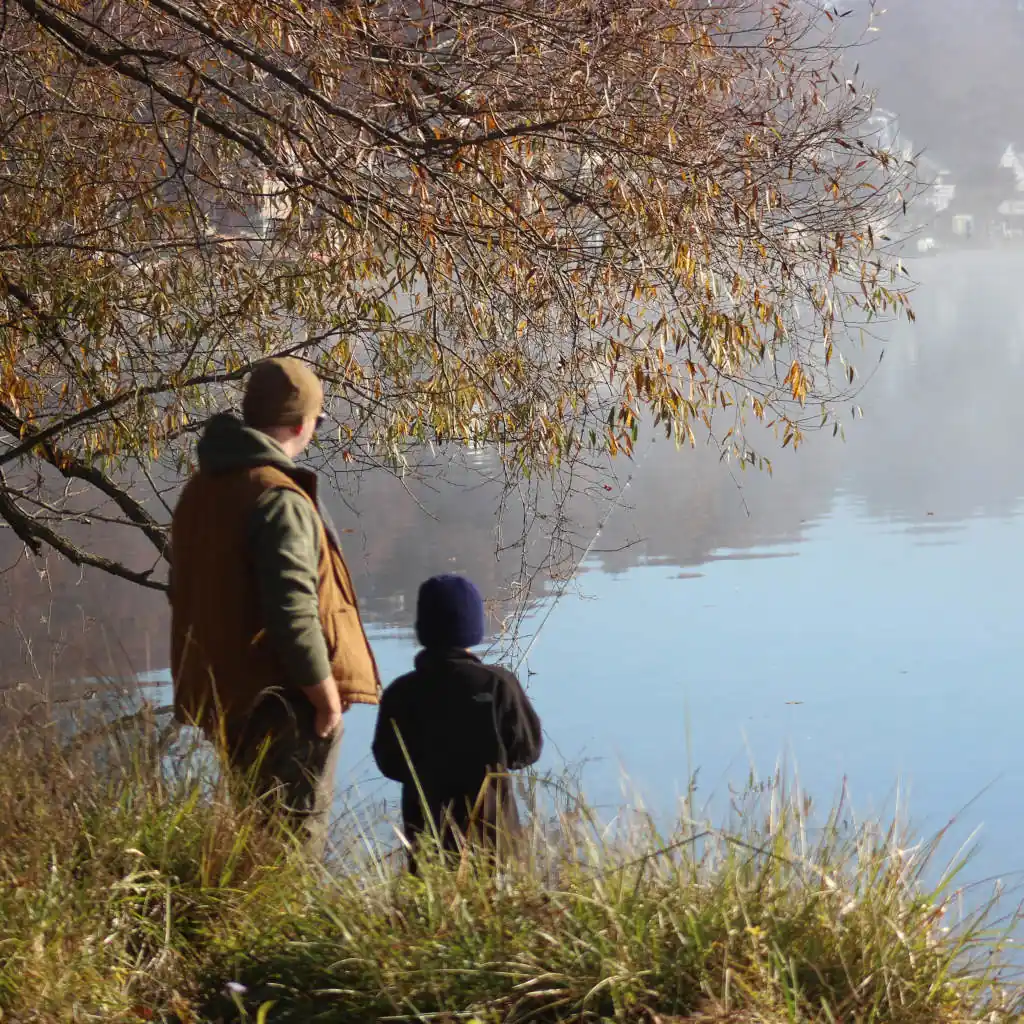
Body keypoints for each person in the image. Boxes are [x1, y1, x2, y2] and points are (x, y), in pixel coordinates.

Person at [169, 357, 380, 854]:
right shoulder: (277, 498)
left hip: (227, 696)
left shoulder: (203, 490)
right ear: (303, 423)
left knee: (250, 838)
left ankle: (240, 927)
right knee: (289, 849)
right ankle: (280, 931)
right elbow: (292, 611)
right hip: (284, 704)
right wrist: (325, 698)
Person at [371, 574, 542, 870]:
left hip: (427, 838)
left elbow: (390, 762)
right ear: (474, 628)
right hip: (496, 839)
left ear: (422, 628)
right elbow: (526, 751)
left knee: (429, 910)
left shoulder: (401, 692)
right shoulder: (499, 684)